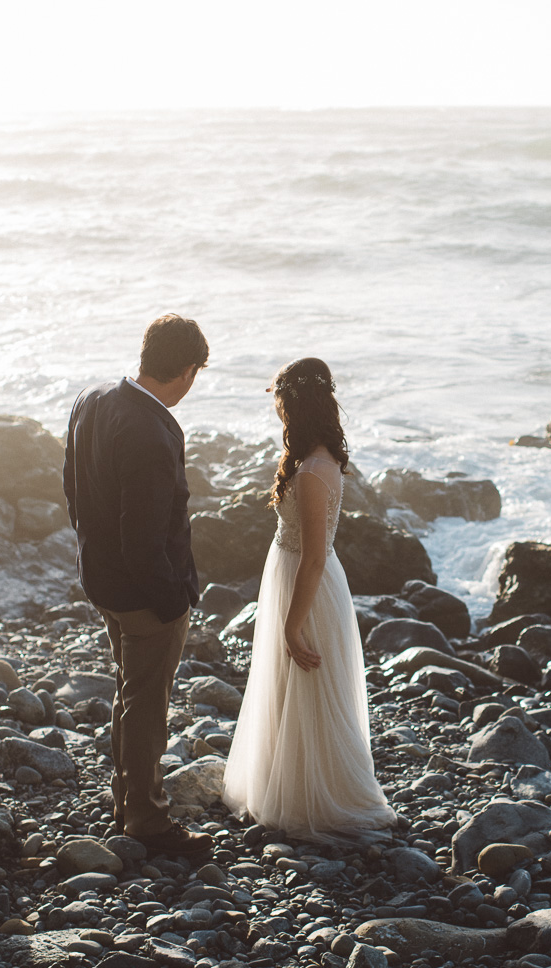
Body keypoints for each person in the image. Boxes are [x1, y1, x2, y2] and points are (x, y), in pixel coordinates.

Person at [221, 358, 397, 842]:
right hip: (297, 579)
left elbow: (315, 556)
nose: (278, 414)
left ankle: (317, 797)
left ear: (297, 408)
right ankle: (292, 784)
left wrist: (292, 624)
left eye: (281, 405)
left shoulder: (314, 473)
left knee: (309, 688)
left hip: (309, 587)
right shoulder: (318, 462)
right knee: (293, 690)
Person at [62, 313, 213, 858]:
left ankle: (126, 799)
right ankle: (146, 819)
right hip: (142, 592)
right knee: (148, 703)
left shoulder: (94, 397)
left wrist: (90, 554)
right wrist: (173, 601)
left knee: (130, 693)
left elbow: (71, 487)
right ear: (188, 371)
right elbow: (144, 539)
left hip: (101, 579)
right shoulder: (151, 431)